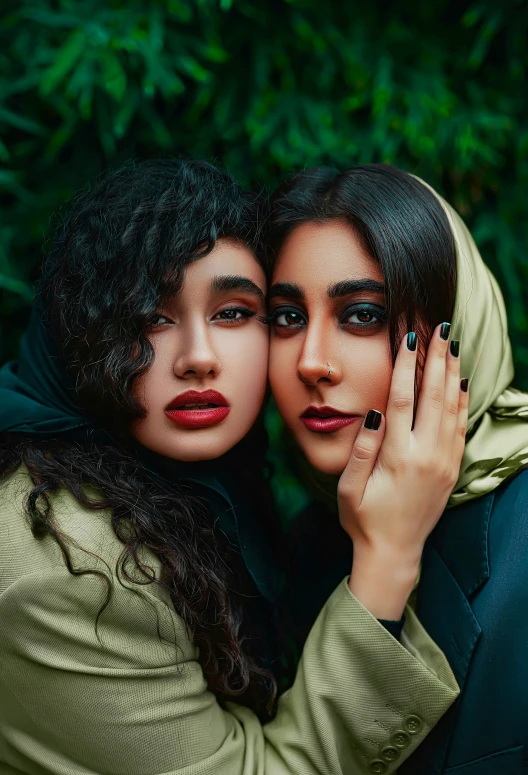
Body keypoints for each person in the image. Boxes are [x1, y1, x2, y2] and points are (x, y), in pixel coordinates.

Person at [0, 159, 461, 775]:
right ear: (82, 331)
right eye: (152, 316)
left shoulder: (194, 492)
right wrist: (388, 557)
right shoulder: (63, 567)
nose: (199, 358)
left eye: (234, 312)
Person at [267, 163, 528, 774]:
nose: (311, 362)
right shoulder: (301, 550)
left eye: (362, 314)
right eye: (287, 317)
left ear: (454, 326)